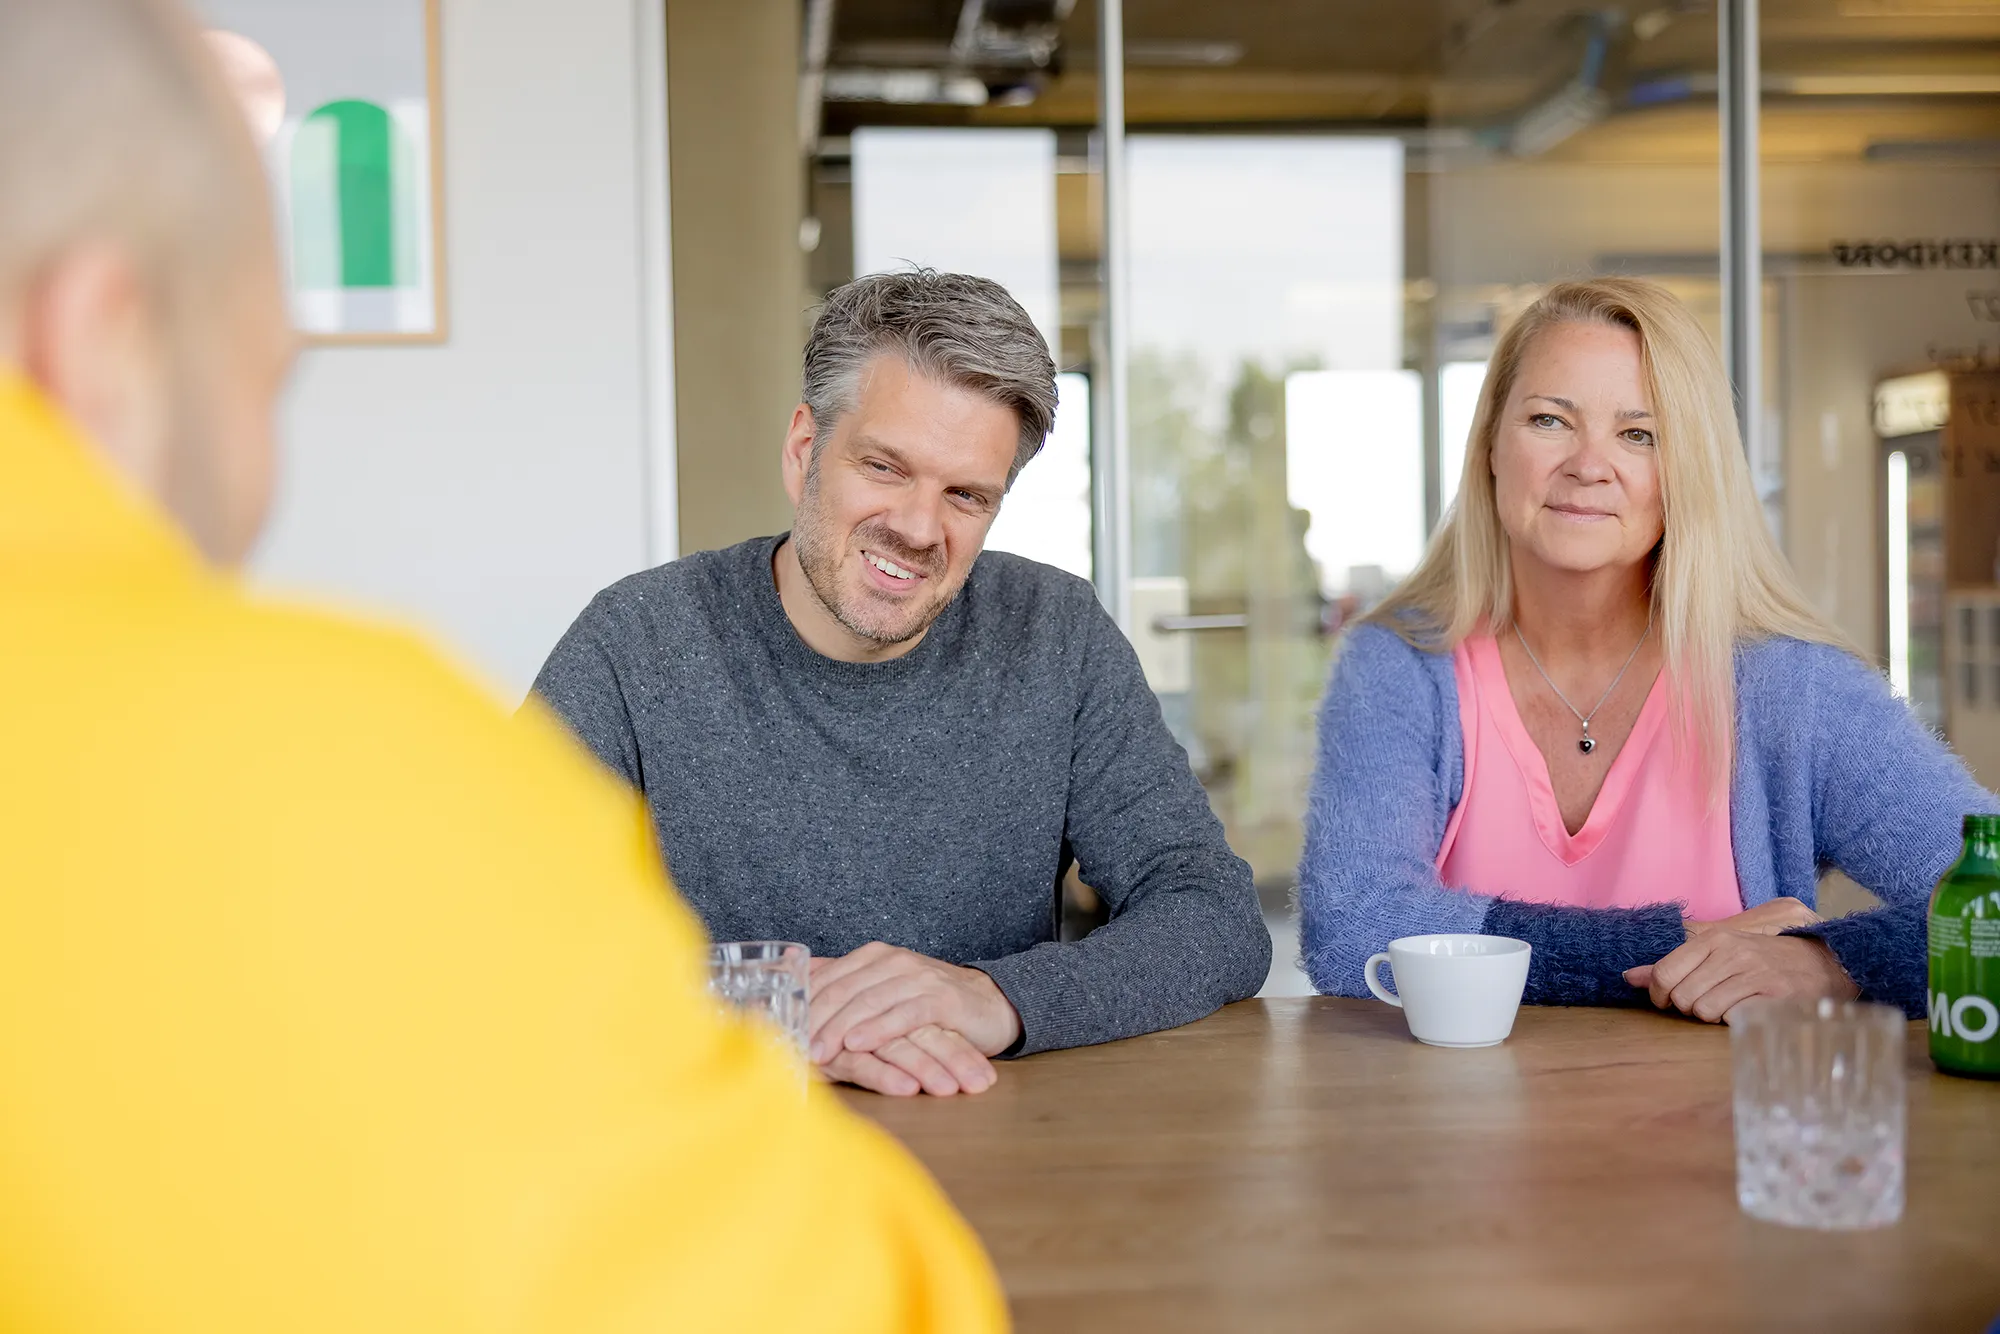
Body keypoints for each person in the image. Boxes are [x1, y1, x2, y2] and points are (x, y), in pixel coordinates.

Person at [0, 2, 1003, 1329]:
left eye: (968, 493)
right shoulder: (357, 760)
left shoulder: (1051, 633)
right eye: (256, 381)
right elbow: (851, 1299)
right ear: (100, 334)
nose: (253, 480)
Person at [532, 270, 1270, 1097]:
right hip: (704, 1147)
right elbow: (496, 934)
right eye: (885, 467)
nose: (919, 529)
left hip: (986, 1132)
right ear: (804, 449)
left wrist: (997, 996)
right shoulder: (637, 642)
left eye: (966, 495)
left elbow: (1213, 913)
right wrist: (775, 1013)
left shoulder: (1054, 632)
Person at [1298, 277, 1998, 1023]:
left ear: (1685, 472)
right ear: (1490, 447)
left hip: (1716, 1135)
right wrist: (1677, 947)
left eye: (1640, 434)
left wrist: (1825, 960)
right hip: (1459, 1132)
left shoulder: (1789, 686)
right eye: (1548, 420)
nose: (1589, 465)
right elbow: (1353, 930)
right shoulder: (1399, 666)